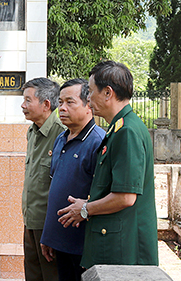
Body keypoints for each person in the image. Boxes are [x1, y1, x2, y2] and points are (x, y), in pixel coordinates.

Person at [58, 61, 159, 268]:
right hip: (115, 242)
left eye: (91, 91)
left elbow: (125, 197)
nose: (88, 98)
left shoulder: (127, 131)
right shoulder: (119, 128)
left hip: (123, 247)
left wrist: (85, 209)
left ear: (107, 93)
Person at [39, 79, 105, 281]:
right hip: (60, 241)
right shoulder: (61, 139)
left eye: (70, 102)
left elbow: (103, 195)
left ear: (89, 105)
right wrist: (49, 235)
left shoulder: (98, 142)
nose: (62, 108)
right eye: (60, 102)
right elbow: (56, 188)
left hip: (82, 244)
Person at [21, 77, 66, 281]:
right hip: (31, 221)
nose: (23, 105)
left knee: (52, 276)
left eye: (28, 100)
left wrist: (51, 231)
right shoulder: (32, 131)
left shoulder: (62, 134)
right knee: (32, 275)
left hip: (50, 226)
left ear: (46, 104)